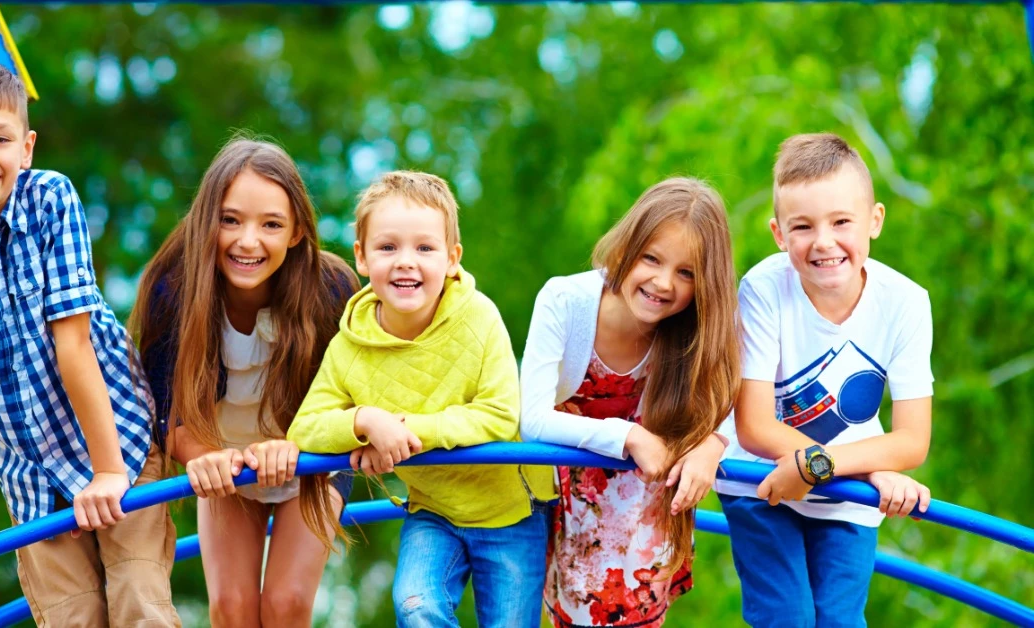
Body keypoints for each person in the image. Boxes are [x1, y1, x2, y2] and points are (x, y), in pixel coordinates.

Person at [0, 57, 178, 626]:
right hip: (30, 473)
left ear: (26, 147)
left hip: (121, 443)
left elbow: (75, 344)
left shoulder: (49, 200)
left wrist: (109, 471)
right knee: (72, 618)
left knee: (139, 602)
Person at [288, 170, 556, 627]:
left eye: (425, 248)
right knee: (415, 605)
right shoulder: (351, 344)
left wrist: (403, 432)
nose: (406, 262)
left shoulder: (478, 317)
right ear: (361, 256)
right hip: (433, 510)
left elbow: (498, 414)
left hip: (512, 511)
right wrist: (367, 421)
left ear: (452, 259)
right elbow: (304, 429)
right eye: (388, 247)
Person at [130, 137, 358, 627]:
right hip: (223, 460)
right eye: (229, 220)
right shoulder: (174, 287)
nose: (247, 241)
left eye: (270, 224)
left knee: (286, 602)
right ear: (205, 218)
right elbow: (162, 416)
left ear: (297, 232)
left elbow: (353, 400)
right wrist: (203, 456)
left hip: (312, 459)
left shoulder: (331, 291)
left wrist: (297, 446)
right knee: (232, 609)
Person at [716, 133, 934, 628]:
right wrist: (851, 467)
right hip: (761, 479)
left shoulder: (905, 303)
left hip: (847, 494)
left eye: (841, 222)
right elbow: (752, 426)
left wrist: (825, 467)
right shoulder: (764, 289)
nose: (824, 242)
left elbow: (913, 440)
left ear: (874, 220)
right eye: (803, 226)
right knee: (788, 617)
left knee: (839, 619)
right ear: (778, 233)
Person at [520, 178, 741, 627]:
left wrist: (713, 446)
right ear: (627, 248)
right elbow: (533, 419)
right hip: (569, 509)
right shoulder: (565, 301)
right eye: (652, 259)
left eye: (686, 273)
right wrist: (629, 435)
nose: (663, 283)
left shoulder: (699, 331)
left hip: (646, 522)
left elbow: (740, 406)